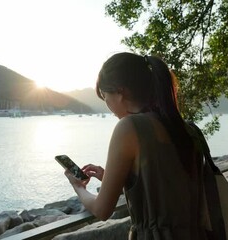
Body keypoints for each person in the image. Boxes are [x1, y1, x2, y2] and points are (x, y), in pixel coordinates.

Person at [64, 52, 207, 239]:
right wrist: (111, 178)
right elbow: (169, 187)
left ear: (120, 93)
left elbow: (102, 210)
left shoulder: (129, 127)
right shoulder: (186, 128)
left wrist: (79, 188)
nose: (108, 105)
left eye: (105, 96)